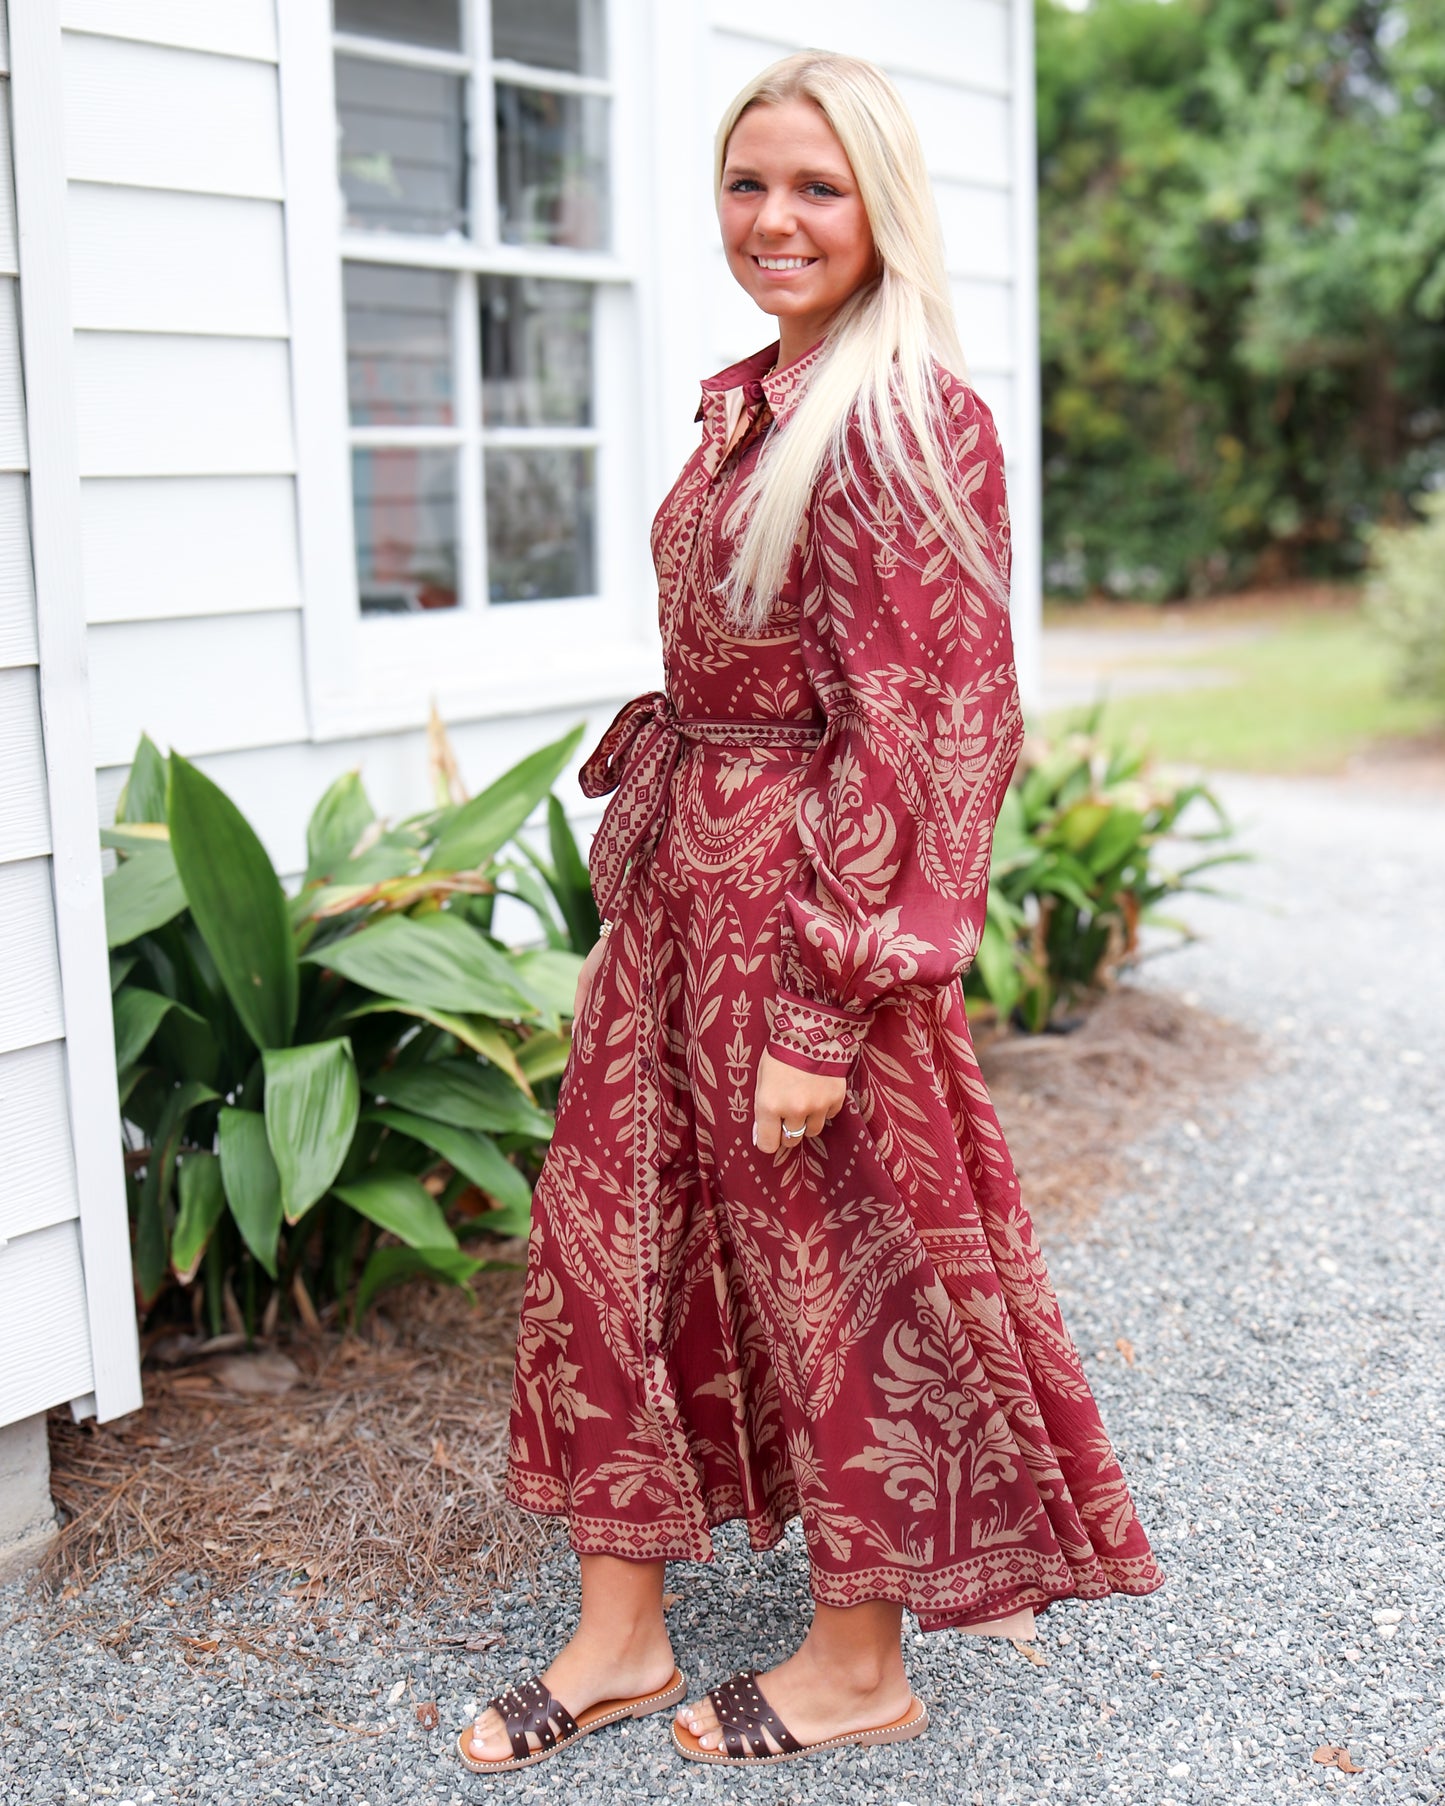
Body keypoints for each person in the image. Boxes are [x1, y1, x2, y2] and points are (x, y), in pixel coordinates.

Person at [458, 48, 1165, 1775]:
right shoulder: (752, 395)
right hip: (678, 898)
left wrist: (821, 1001)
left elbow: (932, 721)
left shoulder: (906, 412)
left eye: (817, 189)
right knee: (602, 1245)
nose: (774, 220)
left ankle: (860, 1660)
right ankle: (618, 1633)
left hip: (801, 919)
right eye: (748, 183)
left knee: (835, 1275)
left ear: (881, 210)